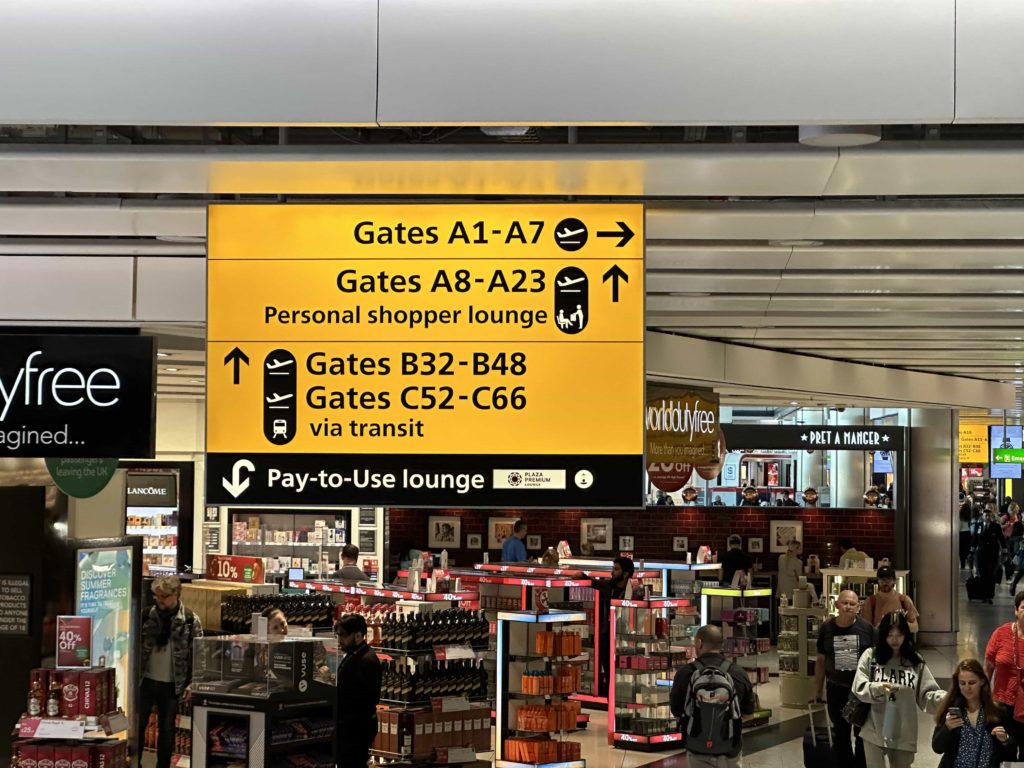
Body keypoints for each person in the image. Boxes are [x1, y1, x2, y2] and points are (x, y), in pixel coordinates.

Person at [852, 612, 944, 768]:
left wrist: (945, 698)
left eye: (899, 635)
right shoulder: (871, 656)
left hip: (903, 731)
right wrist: (878, 688)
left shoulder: (915, 661)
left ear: (906, 635)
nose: (894, 640)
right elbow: (859, 687)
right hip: (873, 729)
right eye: (890, 635)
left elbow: (926, 694)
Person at [138, 576, 203, 768]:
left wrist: (193, 683)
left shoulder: (190, 620)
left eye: (164, 596)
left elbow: (199, 656)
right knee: (139, 726)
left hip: (172, 684)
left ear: (176, 595)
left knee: (167, 730)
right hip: (145, 682)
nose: (159, 600)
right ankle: (135, 763)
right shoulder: (144, 616)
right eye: (157, 596)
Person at [670, 625, 756, 768]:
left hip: (697, 748)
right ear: (721, 644)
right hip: (730, 749)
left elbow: (677, 711)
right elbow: (749, 713)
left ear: (699, 643)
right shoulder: (738, 673)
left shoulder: (685, 673)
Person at [814, 589, 874, 768]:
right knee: (841, 735)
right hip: (836, 689)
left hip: (860, 691)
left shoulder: (867, 629)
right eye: (844, 603)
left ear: (858, 607)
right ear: (836, 605)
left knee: (862, 735)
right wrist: (818, 690)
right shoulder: (827, 628)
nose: (848, 607)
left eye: (852, 604)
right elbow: (820, 660)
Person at [932, 658, 1015, 768]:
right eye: (962, 683)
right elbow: (937, 748)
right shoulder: (951, 710)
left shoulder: (998, 712)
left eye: (972, 683)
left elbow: (1011, 753)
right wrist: (947, 728)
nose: (967, 688)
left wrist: (1005, 740)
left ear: (982, 681)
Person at [334, 613, 382, 768]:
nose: (340, 639)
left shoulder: (366, 660)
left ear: (358, 635)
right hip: (352, 725)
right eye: (338, 635)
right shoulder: (356, 655)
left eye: (343, 635)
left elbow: (366, 697)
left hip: (356, 728)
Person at [984, 590, 1024, 753]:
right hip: (1002, 704)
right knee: (1001, 750)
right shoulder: (1001, 634)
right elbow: (988, 668)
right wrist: (983, 700)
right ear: (1016, 610)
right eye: (1023, 607)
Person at [592, 556, 634, 698]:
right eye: (613, 568)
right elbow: (592, 583)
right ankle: (611, 701)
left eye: (616, 569)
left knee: (623, 672)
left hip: (625, 637)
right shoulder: (609, 585)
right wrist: (581, 576)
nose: (612, 572)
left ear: (626, 573)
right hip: (607, 636)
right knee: (609, 671)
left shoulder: (634, 589)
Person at [862, 566, 920, 633]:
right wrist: (880, 627)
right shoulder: (870, 602)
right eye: (882, 579)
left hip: (900, 642)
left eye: (888, 579)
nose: (885, 582)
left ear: (894, 580)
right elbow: (865, 630)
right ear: (878, 581)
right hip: (880, 642)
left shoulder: (904, 600)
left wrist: (897, 624)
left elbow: (915, 628)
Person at [977, 515, 1004, 603]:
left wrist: (1005, 551)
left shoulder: (996, 526)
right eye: (985, 515)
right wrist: (972, 551)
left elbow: (1001, 539)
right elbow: (976, 539)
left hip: (992, 554)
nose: (987, 517)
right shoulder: (980, 525)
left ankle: (990, 595)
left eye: (989, 515)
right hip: (981, 553)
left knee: (991, 573)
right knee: (982, 573)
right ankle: (983, 595)